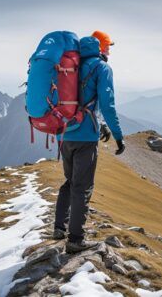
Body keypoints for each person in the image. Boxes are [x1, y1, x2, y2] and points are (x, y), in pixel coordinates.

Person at [53, 30, 125, 253]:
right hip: (86, 137)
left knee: (69, 181)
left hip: (64, 133)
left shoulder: (69, 67)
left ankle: (59, 228)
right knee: (82, 187)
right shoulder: (102, 68)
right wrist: (118, 135)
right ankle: (75, 240)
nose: (110, 51)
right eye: (108, 47)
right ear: (101, 48)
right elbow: (107, 105)